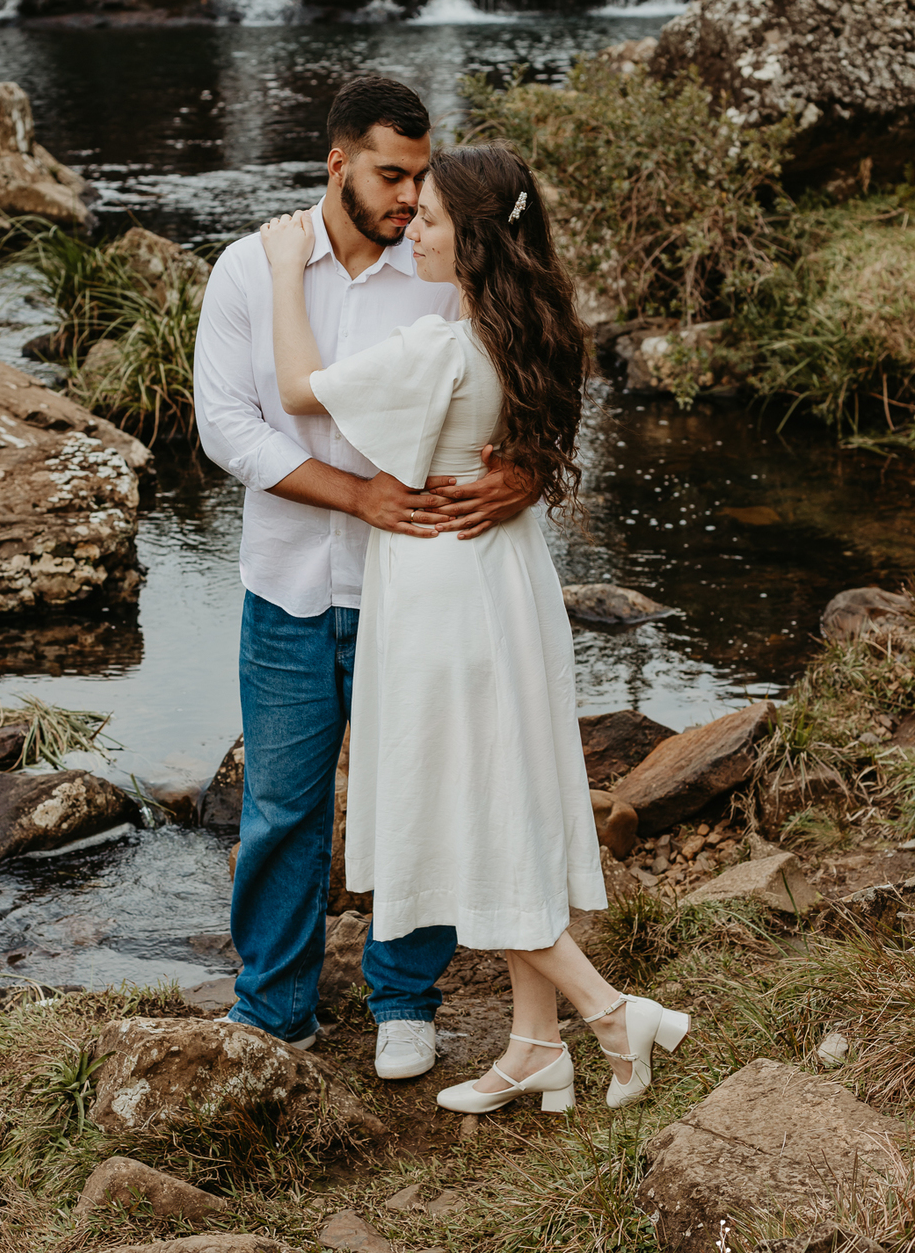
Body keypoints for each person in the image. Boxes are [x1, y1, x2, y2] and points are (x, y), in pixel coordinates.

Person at [259, 143, 690, 1113]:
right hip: (510, 586)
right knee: (508, 806)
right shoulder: (524, 333)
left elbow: (297, 389)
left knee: (466, 823)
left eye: (434, 221)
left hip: (444, 602)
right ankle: (535, 1047)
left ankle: (611, 1014)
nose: (414, 226)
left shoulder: (442, 351)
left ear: (479, 240)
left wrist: (288, 272)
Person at [194, 76, 536, 1081]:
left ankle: (404, 998)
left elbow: (522, 377)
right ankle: (275, 1007)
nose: (409, 199)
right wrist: (356, 499)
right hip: (290, 583)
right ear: (337, 163)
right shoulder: (252, 273)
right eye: (392, 175)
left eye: (421, 178)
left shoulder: (440, 264)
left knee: (419, 792)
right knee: (283, 805)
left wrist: (524, 472)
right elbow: (228, 427)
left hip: (421, 581)